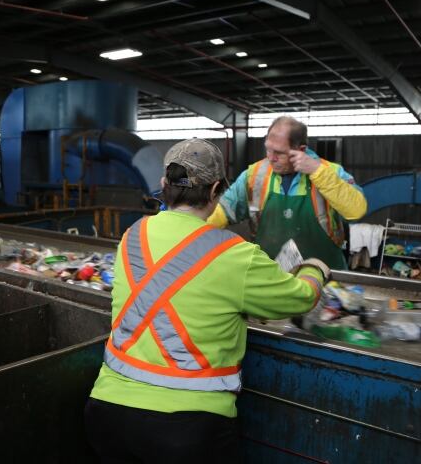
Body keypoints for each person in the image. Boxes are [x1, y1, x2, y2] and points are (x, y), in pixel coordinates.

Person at [84, 138, 330, 463]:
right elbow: (302, 298)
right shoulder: (234, 255)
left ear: (163, 184)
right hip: (186, 430)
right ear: (216, 190)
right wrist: (315, 269)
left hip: (107, 414)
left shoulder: (133, 235)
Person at [207, 116, 367, 270]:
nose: (271, 158)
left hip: (326, 279)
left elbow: (356, 210)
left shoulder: (330, 172)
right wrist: (194, 233)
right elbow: (222, 211)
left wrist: (317, 172)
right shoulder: (254, 175)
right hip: (273, 277)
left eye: (279, 152)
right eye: (268, 149)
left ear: (301, 149)